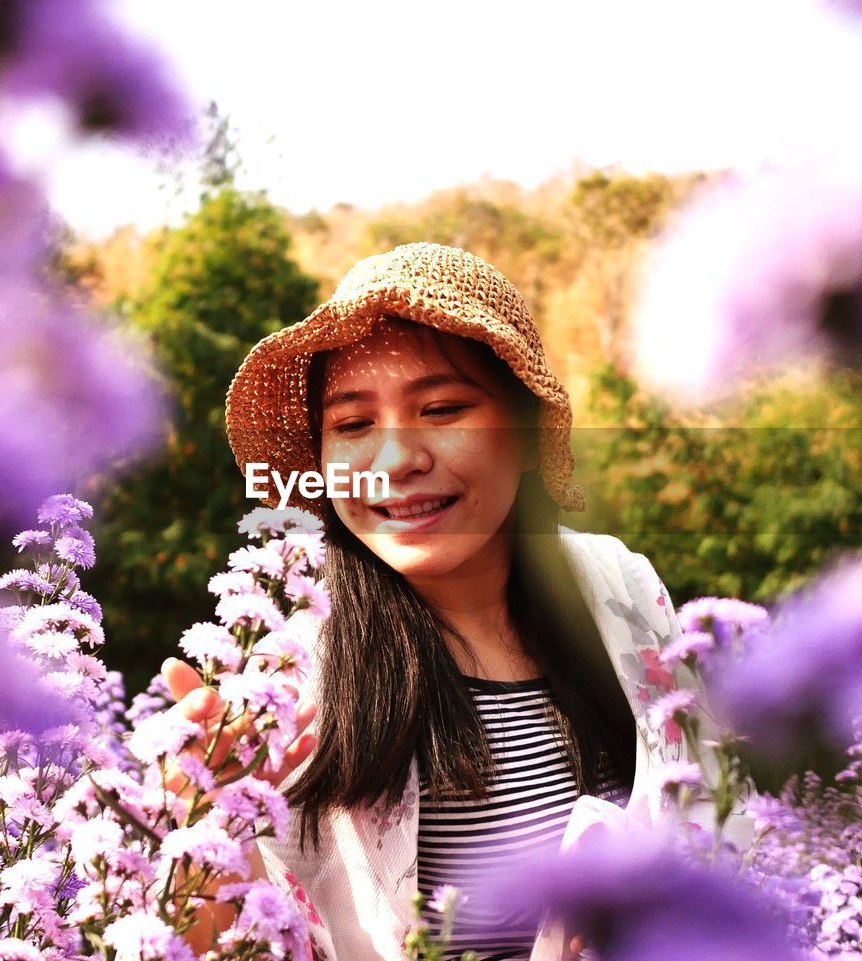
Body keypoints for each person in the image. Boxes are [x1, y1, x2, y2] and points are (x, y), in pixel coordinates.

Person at [161, 243, 733, 961]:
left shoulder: (620, 590)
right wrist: (194, 824)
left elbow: (720, 828)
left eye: (441, 408)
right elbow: (225, 942)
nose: (396, 460)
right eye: (354, 424)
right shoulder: (283, 657)